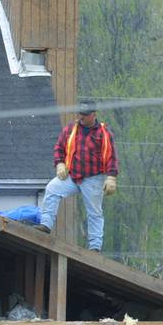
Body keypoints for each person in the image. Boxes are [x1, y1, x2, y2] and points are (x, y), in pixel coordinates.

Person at [35, 99, 119, 252]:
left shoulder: (104, 133)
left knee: (94, 212)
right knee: (52, 188)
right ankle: (45, 225)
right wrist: (60, 163)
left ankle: (95, 246)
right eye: (80, 113)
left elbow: (111, 156)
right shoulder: (70, 130)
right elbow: (59, 148)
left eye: (85, 115)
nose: (81, 117)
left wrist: (111, 177)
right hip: (73, 176)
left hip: (94, 178)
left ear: (93, 115)